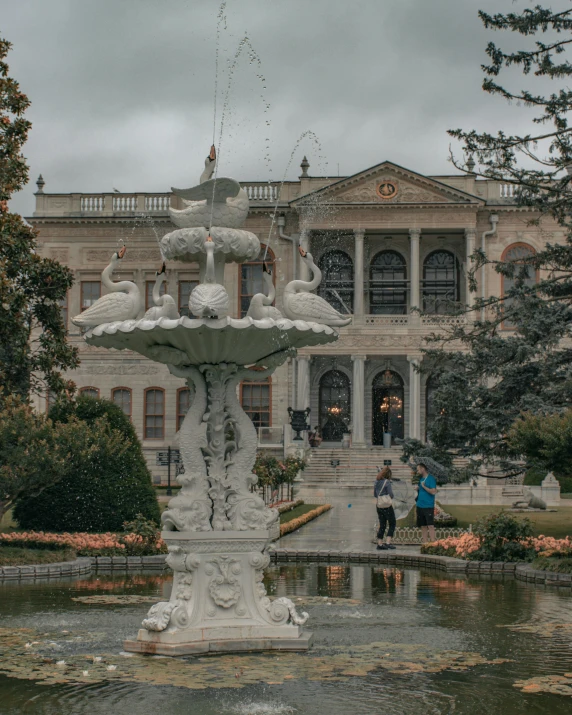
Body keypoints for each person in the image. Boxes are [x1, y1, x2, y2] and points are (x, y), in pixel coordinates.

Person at [374, 466, 396, 550]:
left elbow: (375, 495)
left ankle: (379, 544)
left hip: (379, 505)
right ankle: (387, 542)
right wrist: (391, 496)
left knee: (382, 524)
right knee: (392, 523)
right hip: (387, 506)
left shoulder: (376, 481)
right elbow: (391, 494)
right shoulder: (387, 482)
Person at [415, 462, 437, 543]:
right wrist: (418, 488)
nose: (417, 471)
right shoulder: (421, 479)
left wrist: (424, 486)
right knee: (423, 526)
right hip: (420, 505)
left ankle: (432, 543)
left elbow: (433, 491)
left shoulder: (431, 479)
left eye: (418, 470)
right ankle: (425, 543)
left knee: (430, 525)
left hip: (428, 506)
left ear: (423, 469)